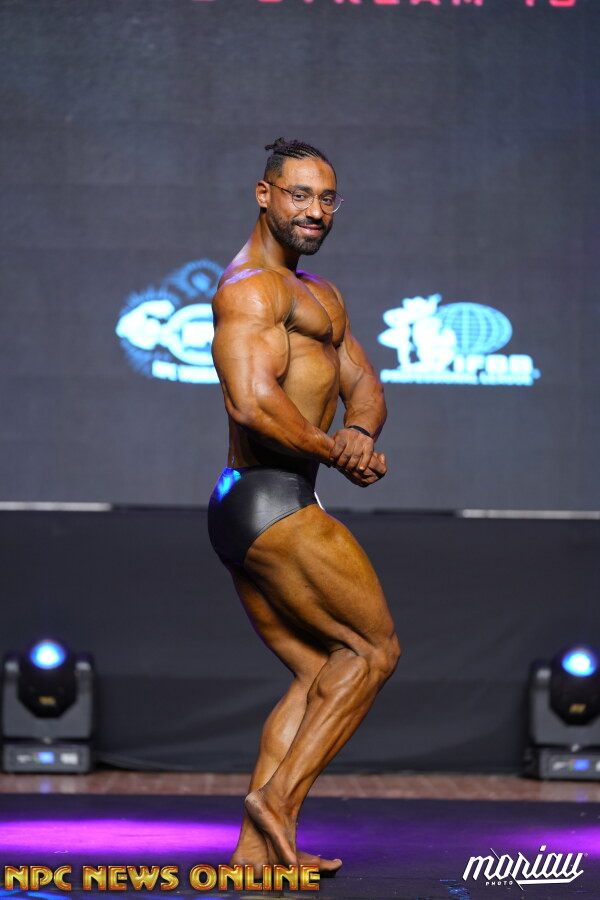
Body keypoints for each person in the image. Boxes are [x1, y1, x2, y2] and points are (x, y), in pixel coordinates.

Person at [208, 138, 401, 875]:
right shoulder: (249, 291)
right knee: (373, 652)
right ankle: (278, 801)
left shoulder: (322, 294)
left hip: (254, 505)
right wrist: (334, 452)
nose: (314, 211)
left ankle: (253, 854)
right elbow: (252, 403)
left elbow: (366, 385)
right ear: (264, 195)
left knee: (321, 671)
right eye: (298, 195)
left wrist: (359, 434)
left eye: (326, 198)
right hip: (271, 497)